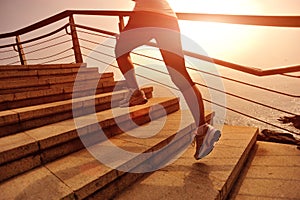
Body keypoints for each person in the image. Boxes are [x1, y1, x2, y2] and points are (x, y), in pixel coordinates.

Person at [115, 0, 221, 160]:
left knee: (120, 50)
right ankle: (202, 129)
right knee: (179, 75)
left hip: (146, 14)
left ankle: (136, 93)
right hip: (168, 18)